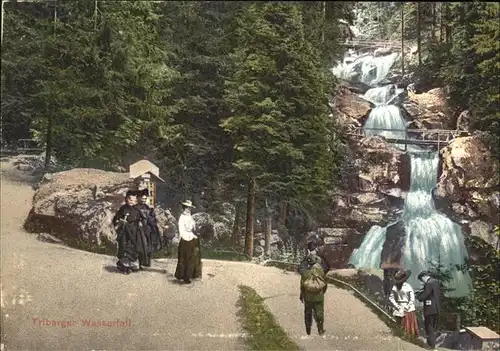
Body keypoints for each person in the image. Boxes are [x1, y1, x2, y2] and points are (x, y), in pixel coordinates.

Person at [112, 190, 144, 274]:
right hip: (124, 231)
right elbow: (116, 218)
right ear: (126, 199)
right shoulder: (123, 208)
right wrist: (118, 222)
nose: (132, 202)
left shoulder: (137, 210)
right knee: (124, 247)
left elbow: (142, 219)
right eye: (130, 200)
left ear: (136, 201)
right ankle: (123, 266)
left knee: (132, 247)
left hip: (134, 232)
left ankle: (131, 264)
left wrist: (141, 224)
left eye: (134, 200)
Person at [300, 253, 327, 336]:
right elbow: (325, 284)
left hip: (308, 298)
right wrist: (322, 292)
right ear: (315, 262)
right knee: (319, 313)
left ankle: (308, 330)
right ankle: (320, 330)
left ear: (308, 263)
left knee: (308, 313)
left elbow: (302, 287)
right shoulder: (321, 272)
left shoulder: (304, 273)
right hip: (318, 297)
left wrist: (302, 296)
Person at [174, 200, 202, 284]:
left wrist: (194, 231)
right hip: (185, 238)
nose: (188, 209)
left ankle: (190, 275)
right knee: (184, 258)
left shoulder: (190, 216)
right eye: (187, 208)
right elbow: (181, 229)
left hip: (191, 236)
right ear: (184, 208)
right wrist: (184, 237)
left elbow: (192, 227)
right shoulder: (182, 217)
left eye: (189, 208)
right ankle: (183, 276)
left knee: (192, 257)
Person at [135, 189, 163, 267]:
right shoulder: (135, 207)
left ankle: (145, 262)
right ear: (139, 198)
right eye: (142, 199)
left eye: (145, 199)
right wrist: (138, 221)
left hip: (148, 228)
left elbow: (152, 217)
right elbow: (134, 217)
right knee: (140, 245)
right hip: (139, 229)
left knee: (148, 245)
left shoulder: (148, 207)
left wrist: (152, 220)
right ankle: (139, 263)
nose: (144, 200)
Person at [388, 269, 419, 337]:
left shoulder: (406, 286)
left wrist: (406, 306)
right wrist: (396, 305)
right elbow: (391, 297)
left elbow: (412, 299)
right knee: (401, 322)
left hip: (407, 308)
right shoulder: (397, 287)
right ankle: (402, 335)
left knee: (405, 323)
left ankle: (408, 337)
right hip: (401, 307)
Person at [416, 270, 440, 351]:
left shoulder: (428, 283)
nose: (422, 281)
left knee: (429, 327)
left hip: (429, 309)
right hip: (436, 308)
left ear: (424, 277)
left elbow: (426, 294)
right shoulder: (436, 281)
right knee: (433, 326)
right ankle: (434, 345)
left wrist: (418, 297)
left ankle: (431, 346)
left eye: (421, 279)